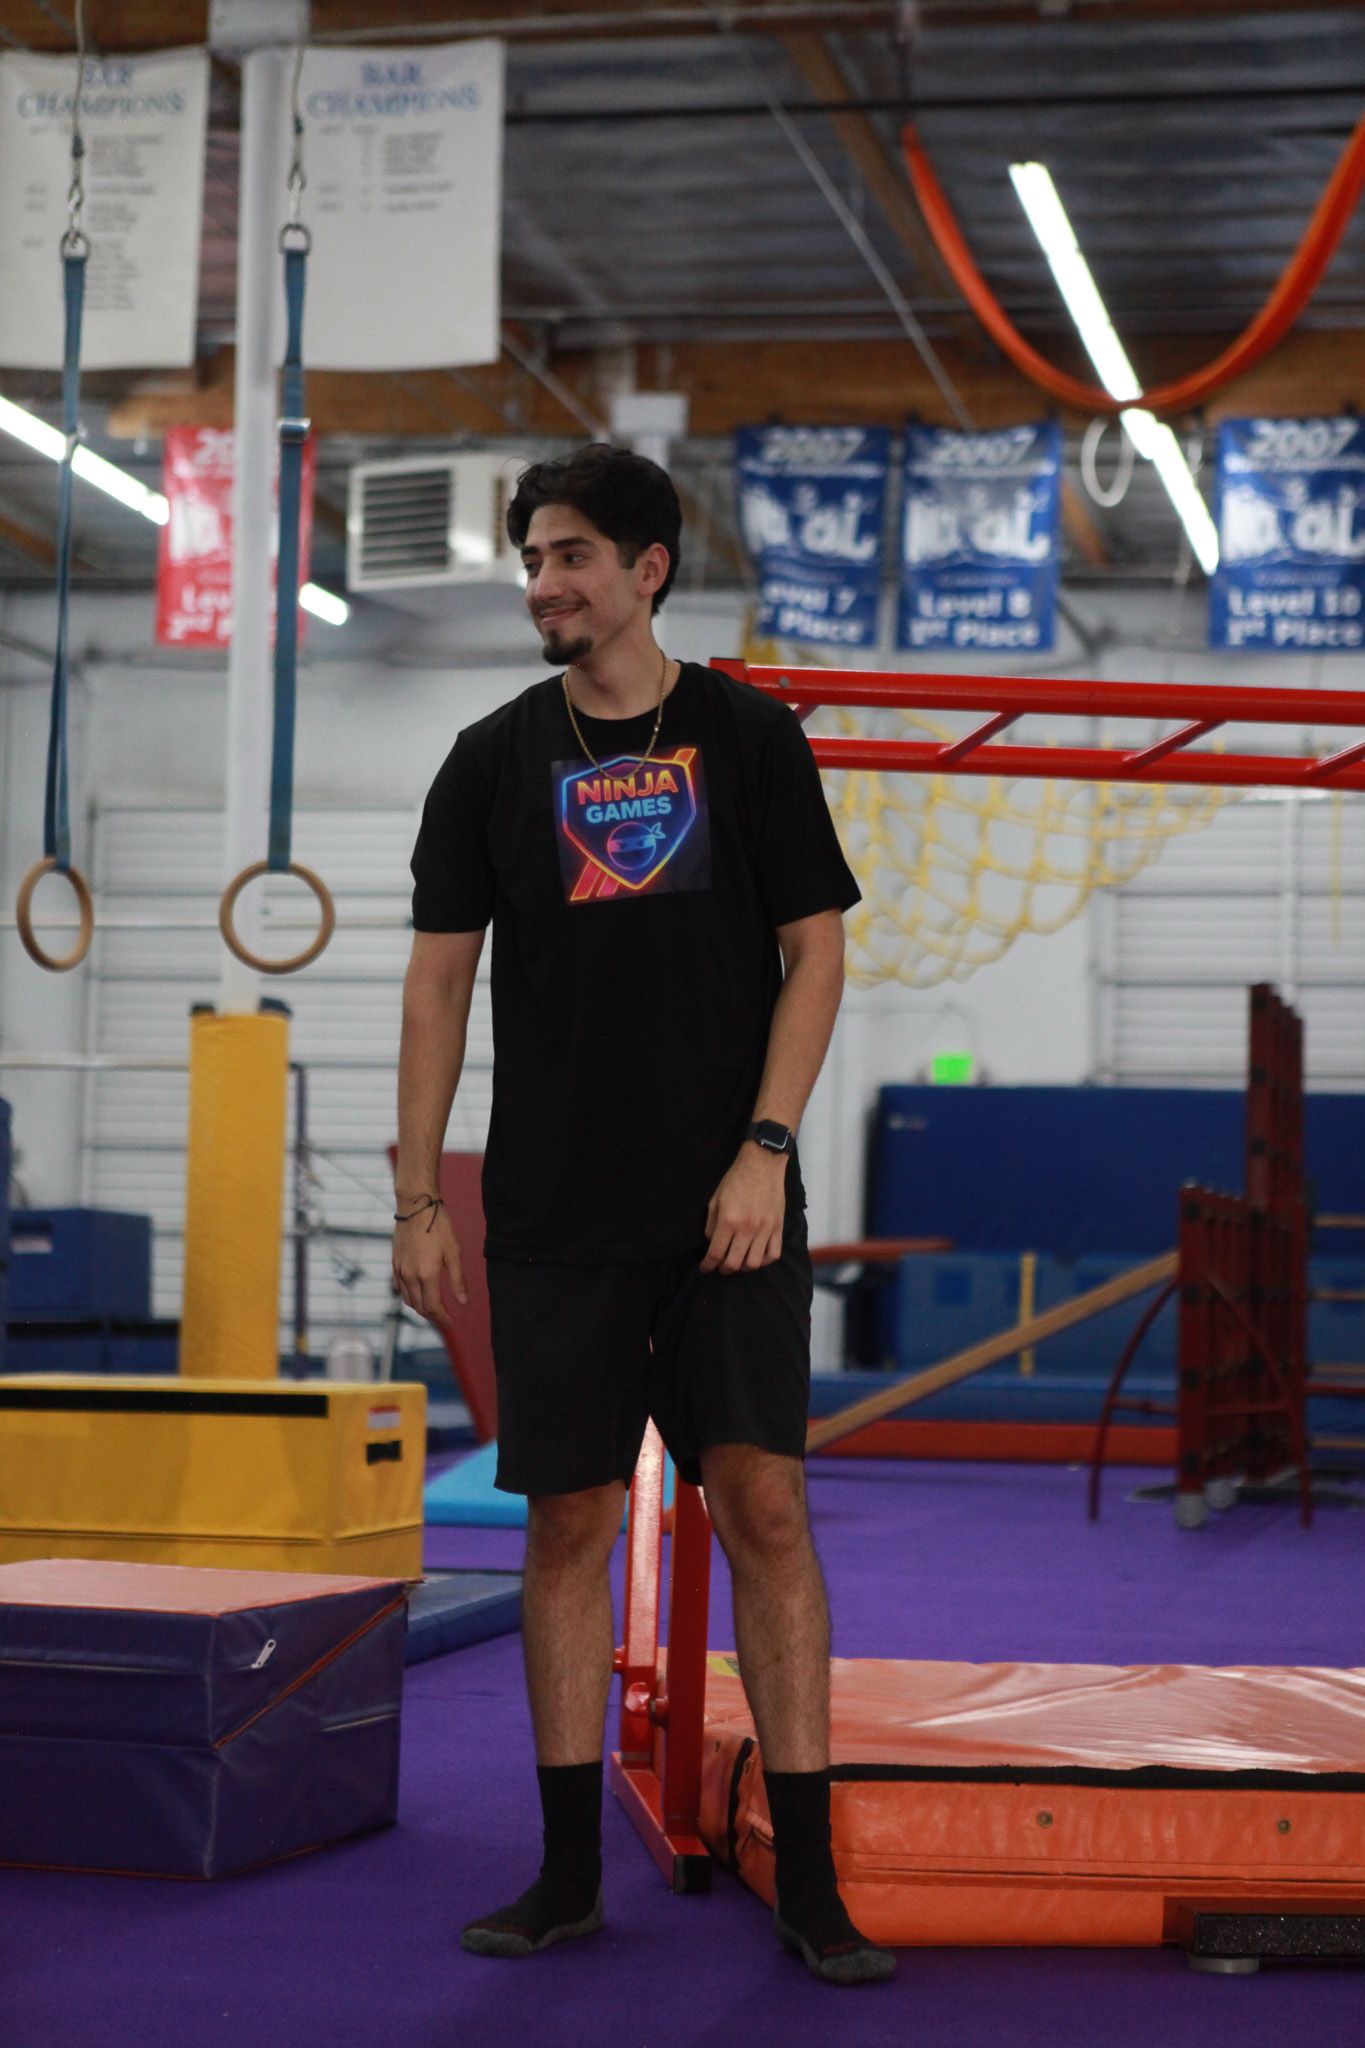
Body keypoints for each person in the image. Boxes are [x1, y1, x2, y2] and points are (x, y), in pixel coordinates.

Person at [394, 442, 893, 1986]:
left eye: (566, 558)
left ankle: (808, 1882)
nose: (541, 584)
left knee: (762, 1511)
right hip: (553, 1208)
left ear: (646, 568)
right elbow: (436, 979)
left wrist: (763, 1148)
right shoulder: (490, 757)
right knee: (567, 1524)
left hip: (728, 1203)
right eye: (532, 561)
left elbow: (813, 953)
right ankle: (561, 1878)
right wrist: (416, 1194)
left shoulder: (748, 741)